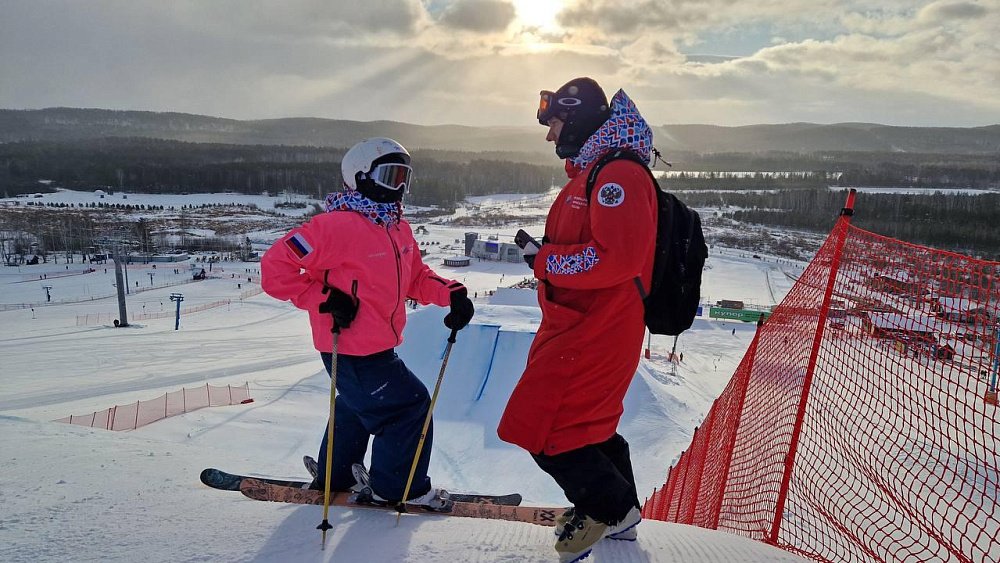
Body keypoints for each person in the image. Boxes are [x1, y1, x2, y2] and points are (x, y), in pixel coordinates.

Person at [261, 137, 475, 507]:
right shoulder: (333, 227)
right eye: (390, 176)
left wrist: (450, 293)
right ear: (360, 177)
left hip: (378, 346)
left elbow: (415, 277)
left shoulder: (397, 229)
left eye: (405, 177)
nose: (399, 187)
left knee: (356, 405)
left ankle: (337, 474)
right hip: (349, 347)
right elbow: (274, 269)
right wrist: (324, 298)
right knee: (408, 407)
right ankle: (398, 488)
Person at [498, 77, 656, 562]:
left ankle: (607, 508)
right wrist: (545, 257)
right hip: (578, 323)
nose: (550, 135)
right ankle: (621, 514)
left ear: (579, 118)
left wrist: (546, 261)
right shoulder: (593, 171)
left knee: (545, 428)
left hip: (597, 327)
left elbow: (617, 259)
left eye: (555, 123)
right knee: (587, 424)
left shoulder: (617, 176)